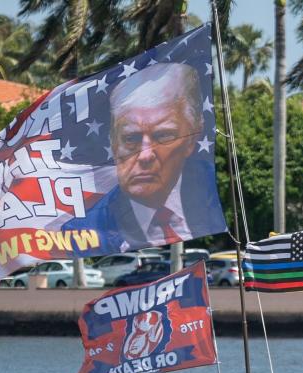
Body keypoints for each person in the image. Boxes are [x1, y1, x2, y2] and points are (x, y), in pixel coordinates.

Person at [63, 63, 226, 254]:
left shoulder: (215, 193)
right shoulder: (83, 230)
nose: (145, 155)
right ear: (114, 143)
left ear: (192, 138)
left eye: (163, 136)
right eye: (131, 138)